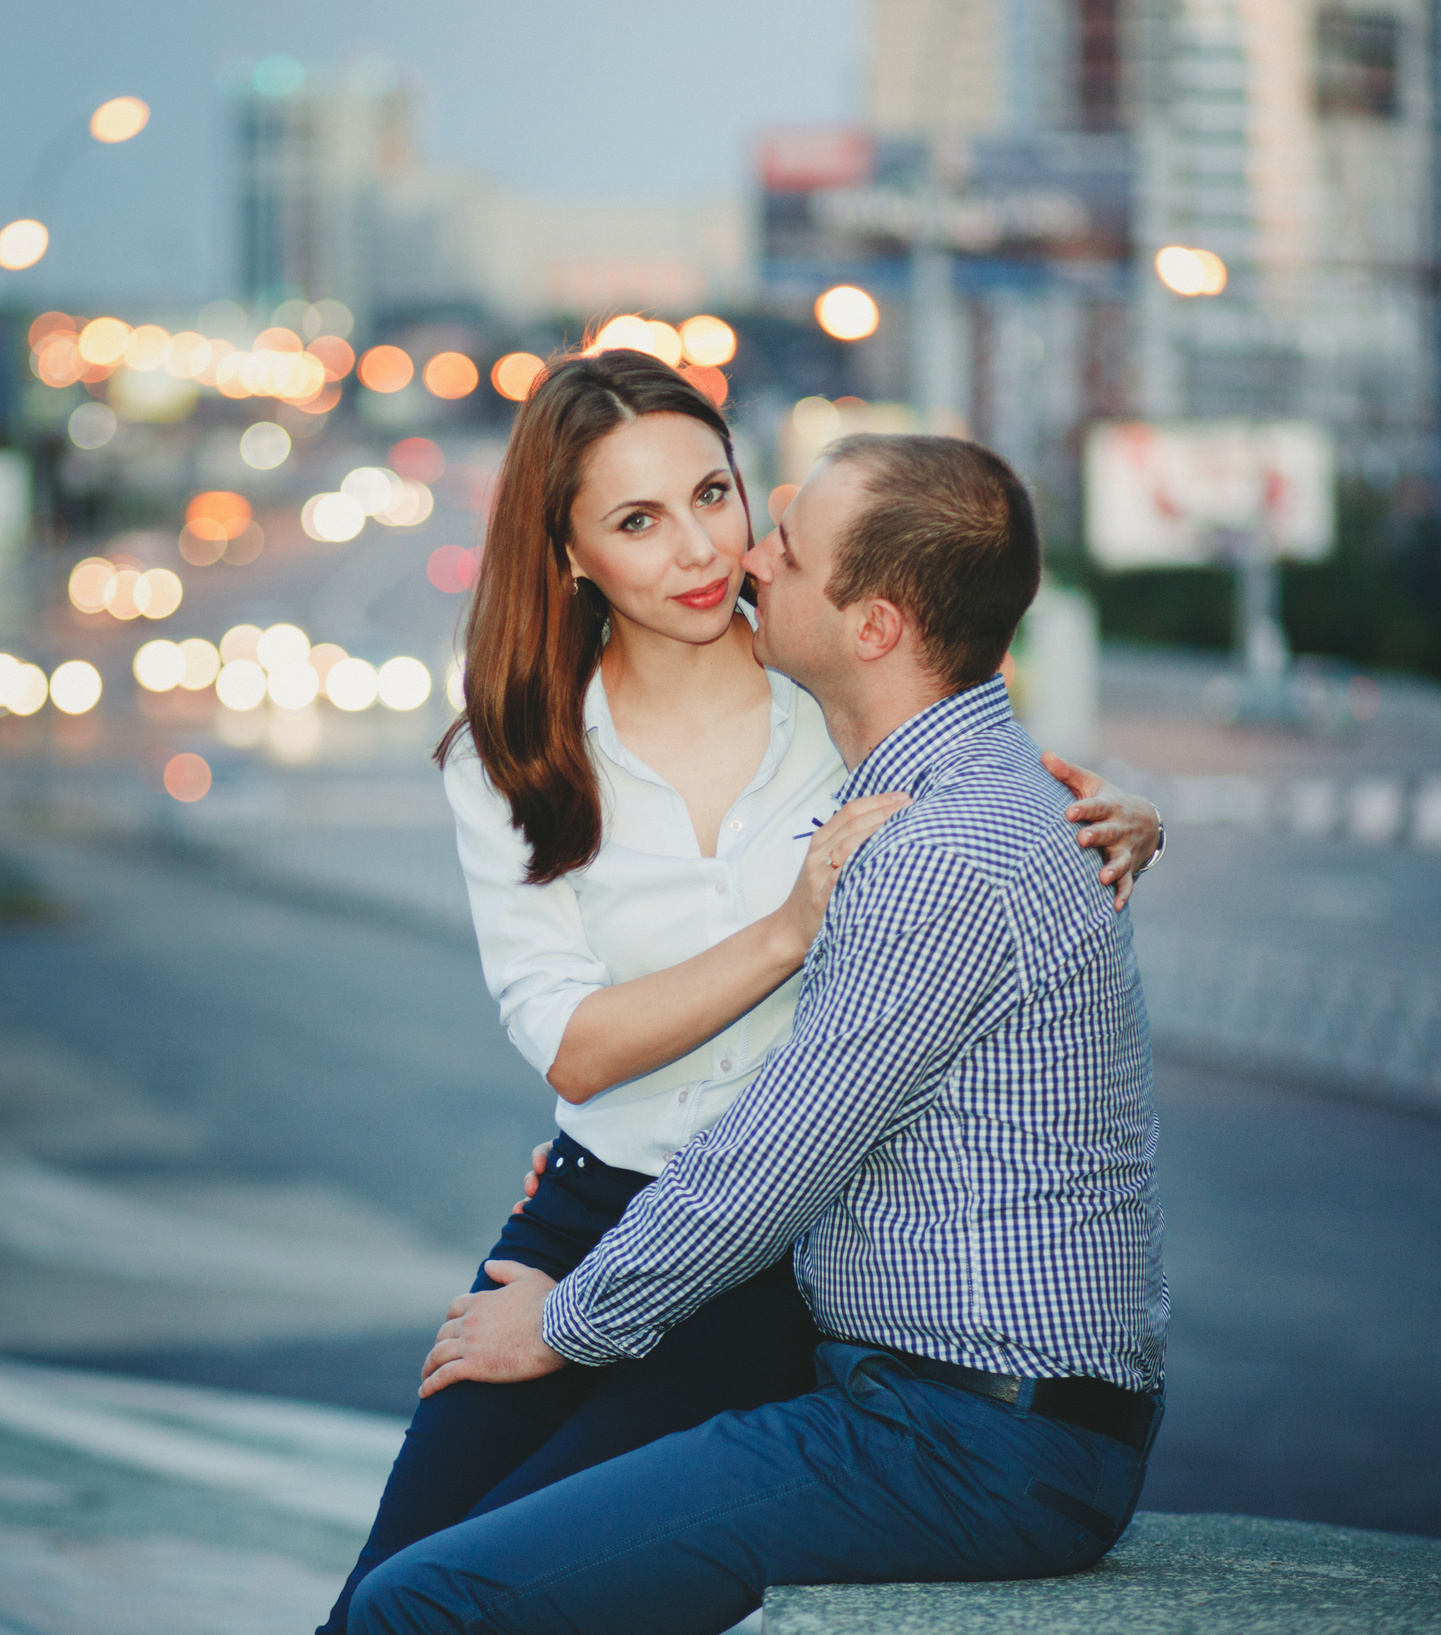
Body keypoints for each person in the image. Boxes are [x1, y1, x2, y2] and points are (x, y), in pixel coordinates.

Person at [319, 354, 1162, 1632]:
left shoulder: (823, 699)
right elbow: (576, 1047)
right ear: (569, 554)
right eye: (637, 521)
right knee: (377, 1597)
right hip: (595, 1208)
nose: (715, 552)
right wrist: (785, 930)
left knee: (459, 1600)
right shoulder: (522, 754)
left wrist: (1118, 819)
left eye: (720, 498)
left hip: (768, 1251)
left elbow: (966, 750)